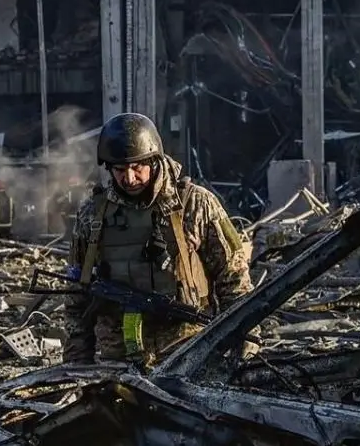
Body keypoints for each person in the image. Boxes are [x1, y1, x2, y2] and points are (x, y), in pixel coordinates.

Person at [64, 112, 255, 366]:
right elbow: (78, 297)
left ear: (154, 161)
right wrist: (76, 364)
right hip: (117, 358)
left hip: (188, 352)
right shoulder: (93, 215)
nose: (129, 178)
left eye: (137, 167)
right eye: (120, 170)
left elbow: (234, 281)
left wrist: (246, 344)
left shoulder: (195, 204)